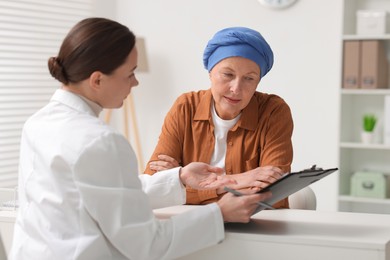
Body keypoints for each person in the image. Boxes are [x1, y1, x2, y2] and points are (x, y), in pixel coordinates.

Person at [9, 18, 272, 260]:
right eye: (130, 73)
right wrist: (220, 214)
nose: (135, 83)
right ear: (97, 80)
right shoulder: (100, 141)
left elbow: (101, 194)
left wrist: (178, 178)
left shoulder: (38, 123)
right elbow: (147, 244)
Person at [144, 27, 293, 207]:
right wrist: (241, 180)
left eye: (249, 78)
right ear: (210, 72)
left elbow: (272, 194)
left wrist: (179, 185)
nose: (236, 88)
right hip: (190, 223)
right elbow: (152, 187)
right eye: (228, 74)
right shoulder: (185, 107)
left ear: (258, 82)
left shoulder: (273, 112)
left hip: (255, 227)